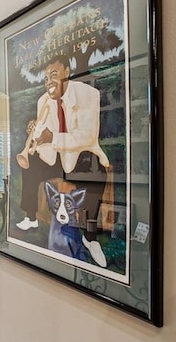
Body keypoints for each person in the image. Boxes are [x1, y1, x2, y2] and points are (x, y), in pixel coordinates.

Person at [15, 53, 110, 231]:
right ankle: (30, 216)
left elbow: (87, 136)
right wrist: (35, 134)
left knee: (96, 170)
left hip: (81, 153)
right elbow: (44, 135)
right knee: (30, 162)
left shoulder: (88, 94)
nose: (49, 82)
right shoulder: (43, 100)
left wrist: (53, 137)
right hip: (55, 155)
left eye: (53, 75)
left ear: (66, 72)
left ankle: (89, 233)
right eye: (45, 78)